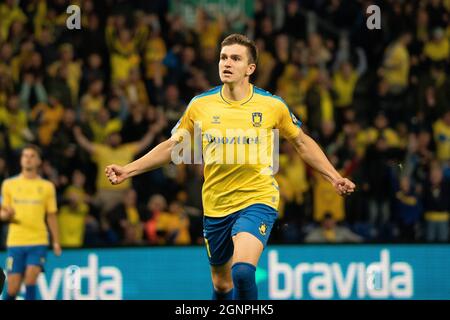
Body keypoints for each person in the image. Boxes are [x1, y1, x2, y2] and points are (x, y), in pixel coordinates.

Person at [105, 34, 355, 300]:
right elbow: (172, 148)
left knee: (243, 273)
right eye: (223, 57)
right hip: (216, 206)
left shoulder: (272, 106)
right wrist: (128, 169)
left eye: (235, 58)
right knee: (223, 285)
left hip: (257, 199)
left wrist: (334, 177)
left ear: (250, 69)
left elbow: (302, 143)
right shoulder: (200, 105)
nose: (227, 63)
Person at [0, 144, 61, 300]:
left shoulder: (47, 187)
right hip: (15, 241)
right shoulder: (9, 185)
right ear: (21, 160)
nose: (28, 159)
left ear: (39, 161)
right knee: (12, 287)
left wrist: (56, 241)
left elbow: (51, 216)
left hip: (38, 240)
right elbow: (2, 214)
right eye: (25, 156)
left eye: (32, 156)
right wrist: (7, 215)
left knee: (30, 279)